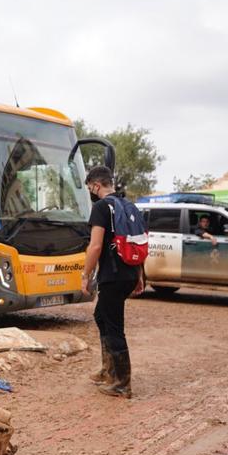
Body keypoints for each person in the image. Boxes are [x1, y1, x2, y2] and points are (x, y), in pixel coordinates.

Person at [81, 165, 144, 397]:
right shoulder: (129, 205)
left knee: (114, 326)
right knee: (101, 315)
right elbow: (138, 242)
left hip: (113, 276)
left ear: (96, 185)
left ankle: (122, 384)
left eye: (90, 187)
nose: (90, 191)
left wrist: (85, 275)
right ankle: (108, 370)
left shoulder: (100, 207)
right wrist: (139, 275)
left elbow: (95, 246)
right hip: (129, 273)